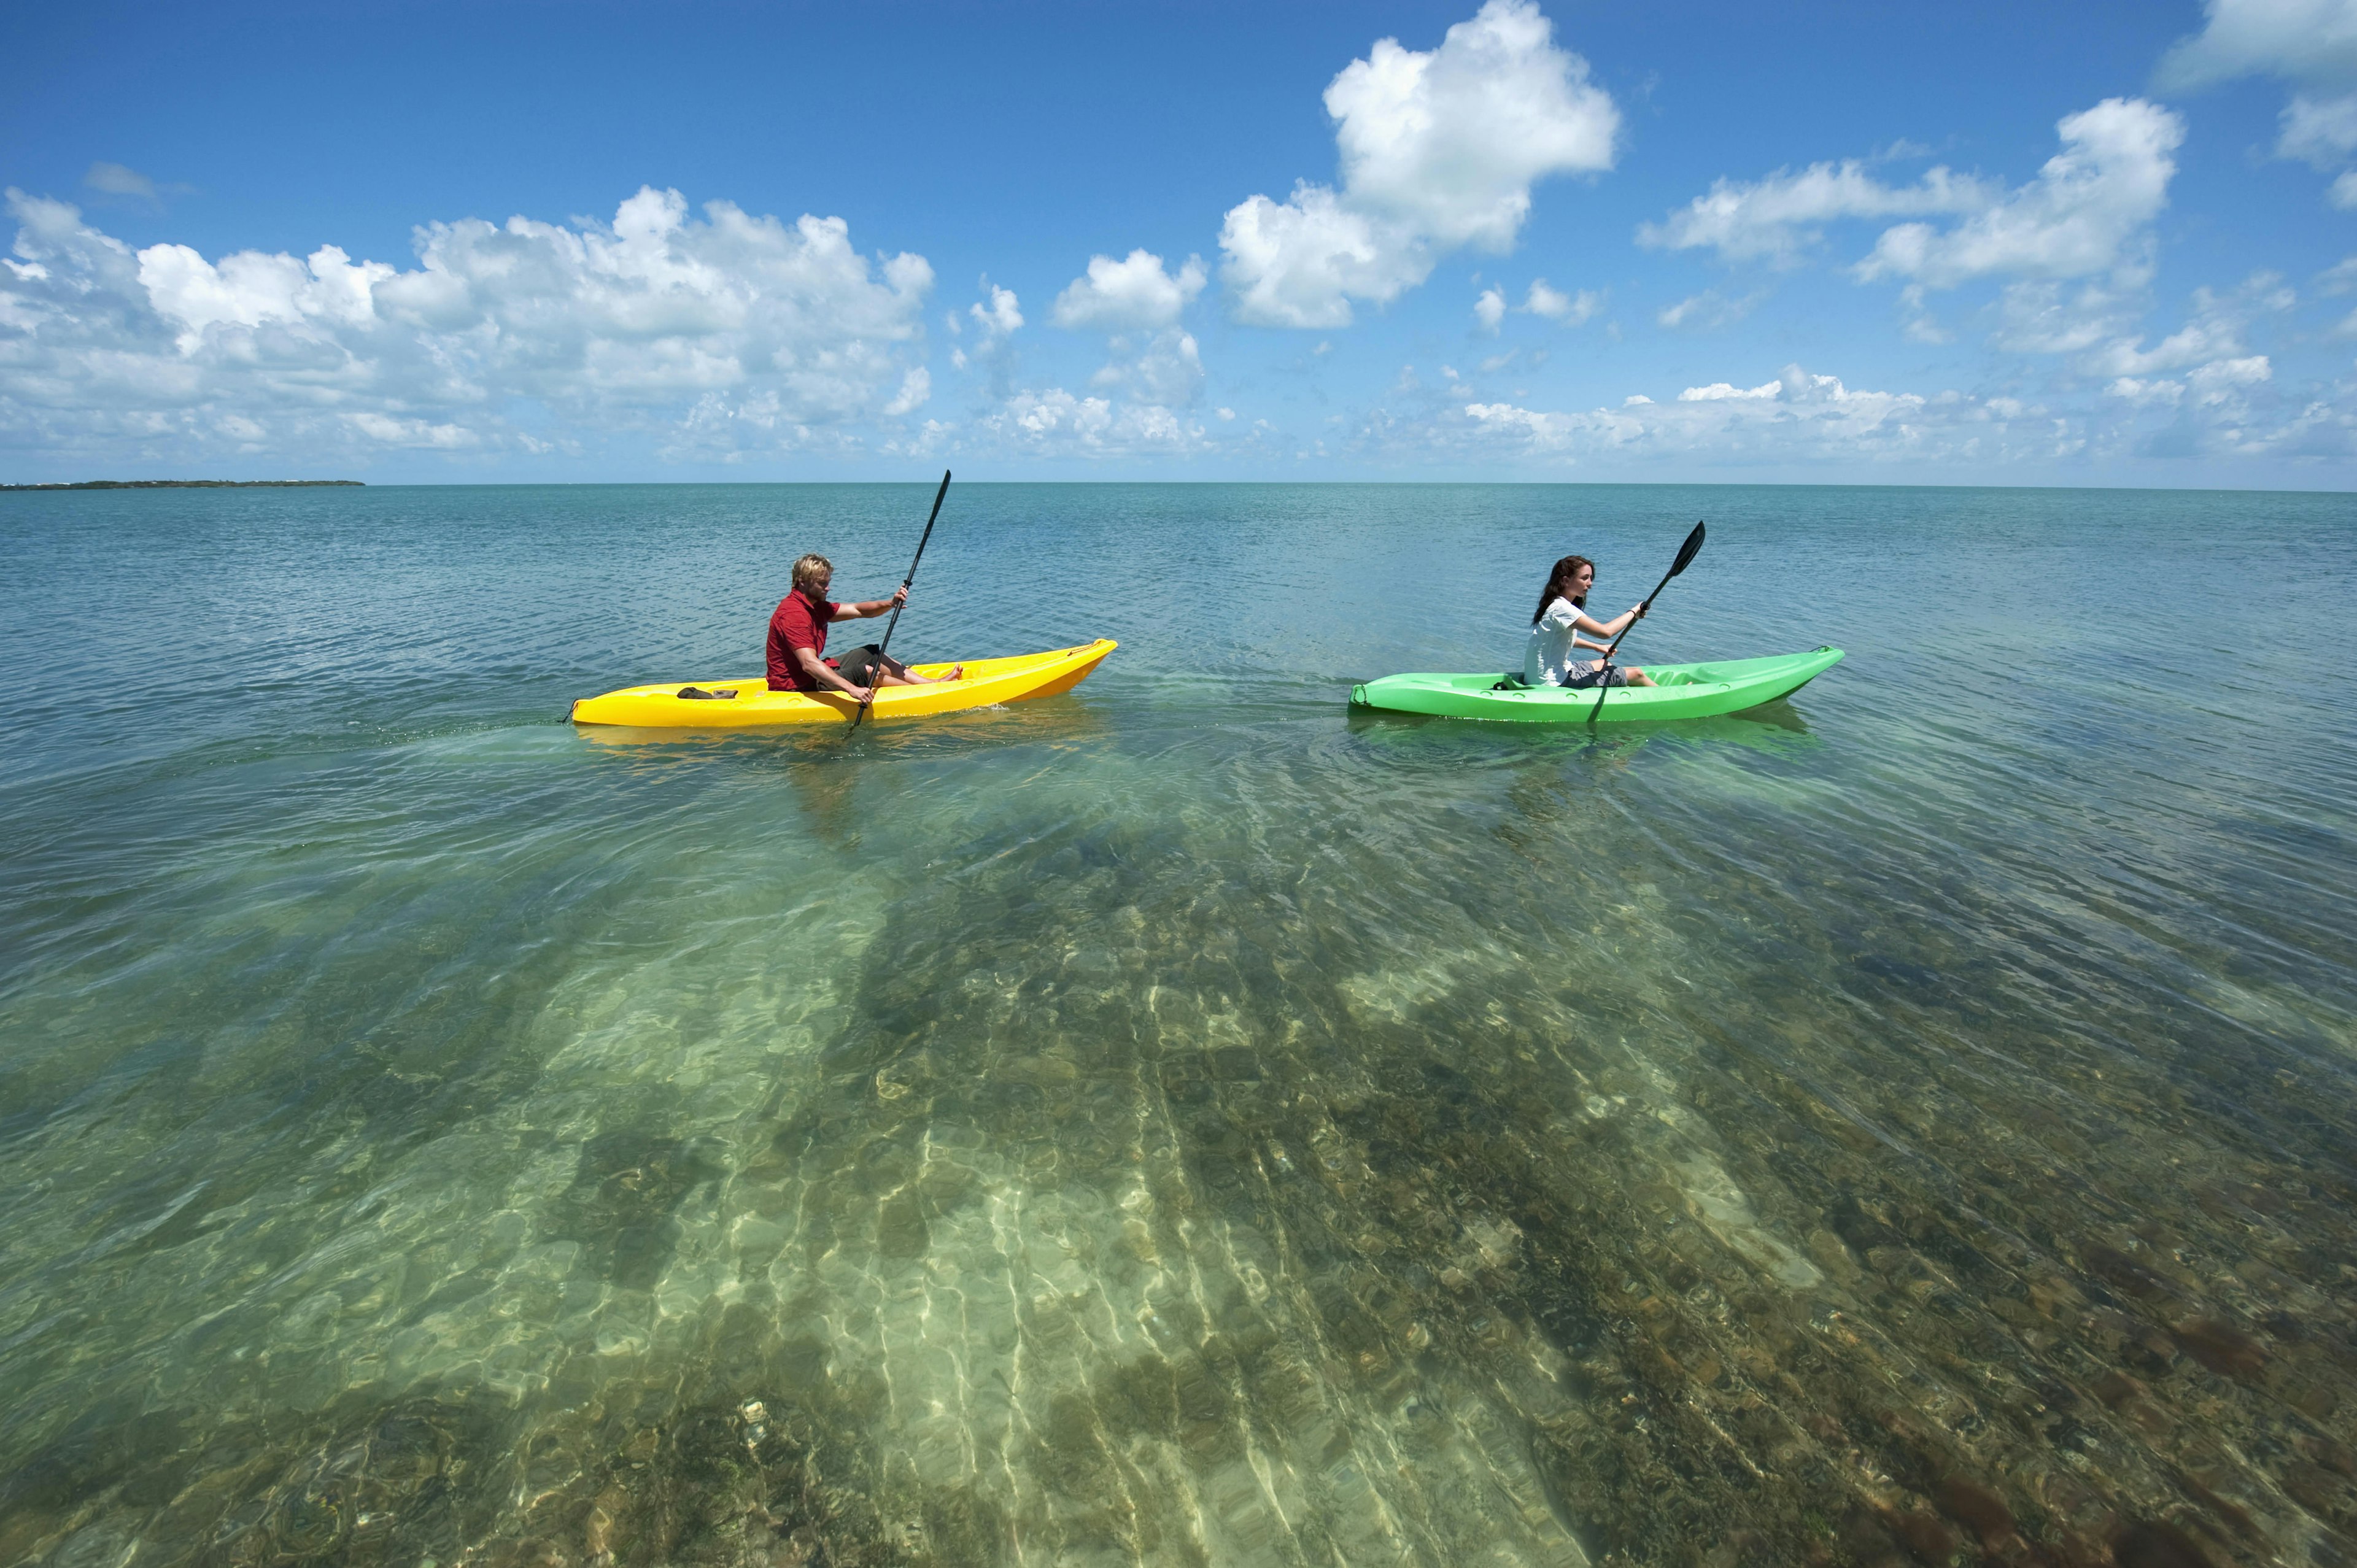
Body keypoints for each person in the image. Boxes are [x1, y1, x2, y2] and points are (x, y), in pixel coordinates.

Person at [766, 553, 963, 697]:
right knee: (866, 672)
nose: (828, 587)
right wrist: (853, 689)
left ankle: (932, 684)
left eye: (828, 582)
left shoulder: (815, 606)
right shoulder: (794, 614)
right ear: (802, 582)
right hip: (796, 685)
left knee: (871, 654)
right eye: (822, 583)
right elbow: (809, 664)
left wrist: (890, 603)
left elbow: (859, 610)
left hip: (808, 675)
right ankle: (923, 694)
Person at [1524, 554, 1658, 689]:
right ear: (1566, 581)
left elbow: (1560, 639)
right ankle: (1667, 700)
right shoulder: (1562, 608)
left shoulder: (1554, 604)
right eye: (1584, 578)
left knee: (1604, 664)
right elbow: (1606, 632)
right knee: (1637, 674)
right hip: (1553, 681)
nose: (1590, 584)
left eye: (1591, 578)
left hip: (1544, 674)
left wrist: (1596, 647)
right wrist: (1635, 610)